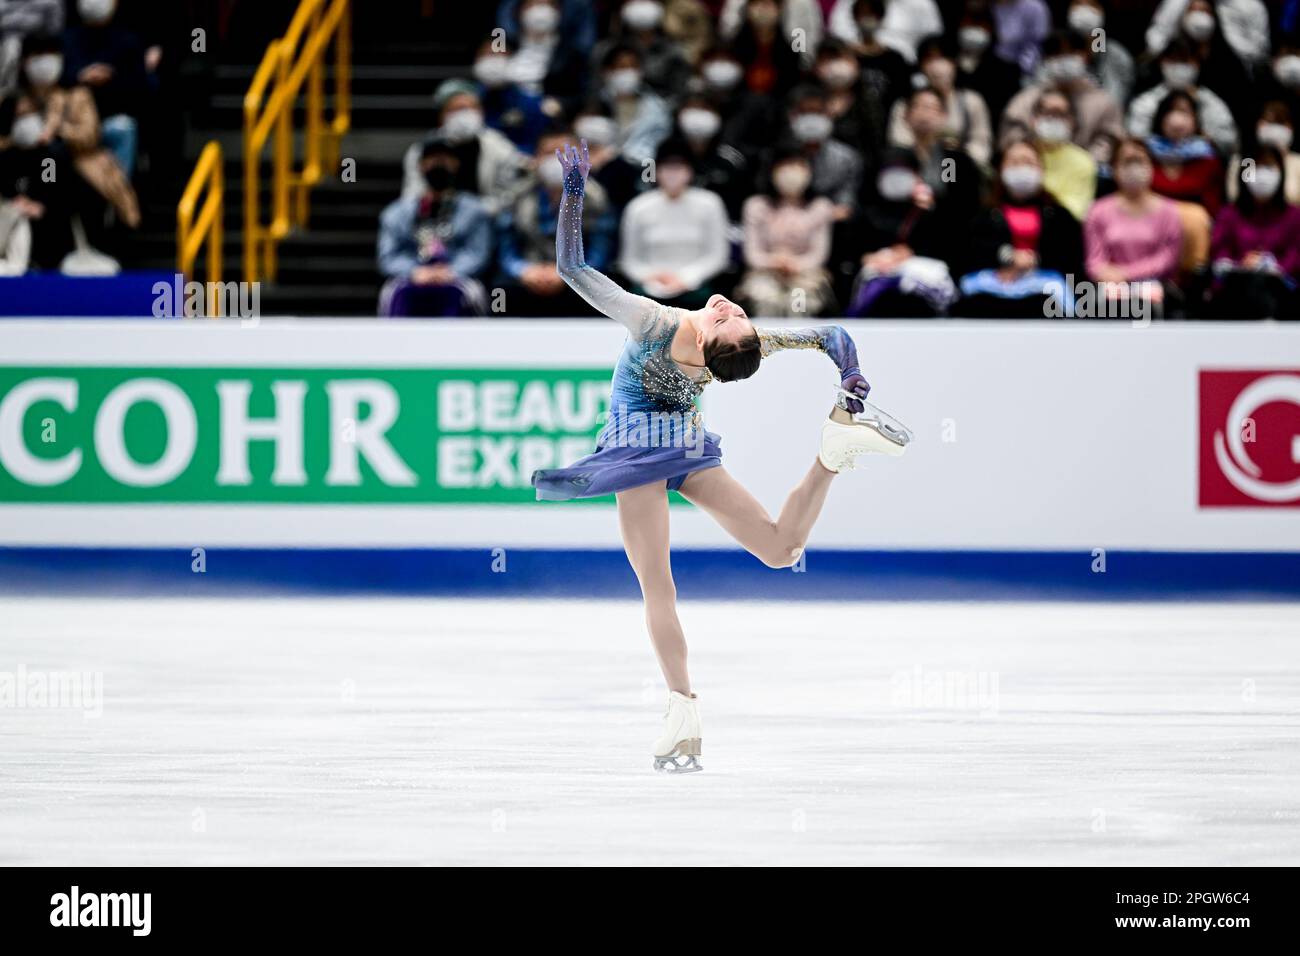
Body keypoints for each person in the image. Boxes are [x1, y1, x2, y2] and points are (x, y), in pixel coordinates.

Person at [532, 140, 910, 773]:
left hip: (654, 448)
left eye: (728, 319)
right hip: (668, 447)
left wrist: (574, 196)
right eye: (735, 315)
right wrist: (849, 373)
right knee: (708, 571)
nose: (730, 308)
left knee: (750, 559)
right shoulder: (727, 335)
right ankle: (682, 705)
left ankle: (682, 708)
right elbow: (833, 334)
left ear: (712, 345)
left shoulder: (654, 321)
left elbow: (573, 269)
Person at [955, 141, 1085, 318]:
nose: (1021, 168)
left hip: (1043, 286)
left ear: (1041, 170)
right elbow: (968, 249)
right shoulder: (984, 214)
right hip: (994, 282)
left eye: (1028, 162)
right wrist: (1007, 257)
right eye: (1014, 163)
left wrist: (1033, 260)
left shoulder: (1058, 215)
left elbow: (1070, 254)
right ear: (1001, 171)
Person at [496, 126, 615, 316]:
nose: (558, 160)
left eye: (566, 153)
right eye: (549, 153)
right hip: (529, 275)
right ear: (535, 159)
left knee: (596, 291)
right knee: (500, 292)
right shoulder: (517, 196)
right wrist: (524, 271)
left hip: (579, 276)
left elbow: (600, 250)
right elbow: (506, 248)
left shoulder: (596, 199)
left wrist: (568, 272)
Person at [377, 137, 492, 317]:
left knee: (470, 294)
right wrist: (415, 272)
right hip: (412, 277)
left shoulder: (474, 211)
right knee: (392, 293)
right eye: (433, 160)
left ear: (456, 165)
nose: (439, 165)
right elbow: (388, 256)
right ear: (421, 166)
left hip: (457, 278)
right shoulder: (396, 213)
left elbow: (477, 253)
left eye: (445, 160)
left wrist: (451, 272)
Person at [618, 137, 730, 308]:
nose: (672, 173)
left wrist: (686, 278)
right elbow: (629, 260)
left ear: (690, 170)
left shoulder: (710, 203)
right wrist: (650, 276)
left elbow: (717, 256)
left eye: (679, 167)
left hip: (696, 287)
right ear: (657, 170)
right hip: (649, 288)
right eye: (667, 167)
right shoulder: (638, 207)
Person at [1083, 137, 1185, 313]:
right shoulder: (1098, 211)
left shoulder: (1169, 211)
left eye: (1139, 161)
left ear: (1151, 166)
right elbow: (1094, 261)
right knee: (1099, 303)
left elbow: (1168, 258)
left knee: (1150, 301)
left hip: (1156, 285)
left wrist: (1126, 273)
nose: (1134, 167)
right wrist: (1107, 275)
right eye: (1127, 162)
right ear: (1114, 169)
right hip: (1111, 286)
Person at [401, 79, 531, 215]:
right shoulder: (423, 150)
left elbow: (525, 172)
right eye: (458, 109)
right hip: (437, 217)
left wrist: (493, 205)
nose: (466, 114)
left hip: (484, 219)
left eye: (473, 108)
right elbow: (411, 195)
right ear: (442, 116)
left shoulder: (494, 143)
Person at [736, 146, 836, 316]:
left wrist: (795, 264)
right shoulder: (757, 205)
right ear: (772, 171)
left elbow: (819, 253)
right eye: (786, 166)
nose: (792, 172)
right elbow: (752, 253)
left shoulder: (820, 207)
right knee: (767, 300)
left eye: (799, 165)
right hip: (765, 273)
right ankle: (766, 342)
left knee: (798, 303)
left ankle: (799, 342)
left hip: (805, 275)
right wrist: (774, 261)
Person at [1207, 143, 1300, 318]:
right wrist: (1242, 265)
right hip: (1237, 288)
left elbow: (1296, 254)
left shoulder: (1295, 215)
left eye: (1269, 167)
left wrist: (1273, 266)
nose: (1262, 174)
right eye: (1254, 167)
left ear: (1281, 172)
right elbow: (1219, 252)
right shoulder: (1229, 214)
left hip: (1284, 291)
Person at [62, 0, 147, 179]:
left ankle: (117, 196)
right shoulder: (66, 39)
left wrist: (111, 79)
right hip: (73, 121)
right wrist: (80, 76)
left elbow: (141, 86)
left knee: (124, 127)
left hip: (110, 116)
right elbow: (53, 81)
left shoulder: (128, 41)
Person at [888, 36, 992, 166]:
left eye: (943, 58)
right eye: (930, 59)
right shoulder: (905, 103)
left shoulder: (971, 101)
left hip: (955, 167)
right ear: (921, 65)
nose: (937, 66)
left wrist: (963, 162)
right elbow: (899, 141)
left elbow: (981, 143)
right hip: (915, 166)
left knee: (950, 177)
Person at [1029, 88, 1098, 222]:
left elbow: (1076, 211)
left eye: (1061, 114)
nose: (1054, 119)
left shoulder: (1084, 161)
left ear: (1072, 121)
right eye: (1048, 112)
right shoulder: (1021, 153)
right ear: (1034, 118)